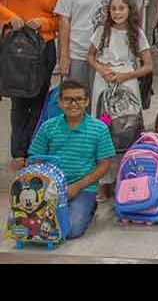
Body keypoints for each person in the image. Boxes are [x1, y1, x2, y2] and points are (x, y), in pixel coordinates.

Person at [0, 0, 66, 170]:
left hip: (42, 48)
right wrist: (10, 16)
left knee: (39, 99)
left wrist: (45, 22)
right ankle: (18, 152)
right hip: (16, 47)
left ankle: (33, 149)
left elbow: (61, 19)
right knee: (18, 100)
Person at [86, 0, 153, 200]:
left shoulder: (137, 33)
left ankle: (125, 178)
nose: (117, 13)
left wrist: (126, 75)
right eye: (113, 9)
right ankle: (104, 181)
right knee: (104, 128)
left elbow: (148, 65)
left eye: (121, 8)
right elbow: (90, 56)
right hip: (103, 81)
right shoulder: (101, 31)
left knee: (127, 128)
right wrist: (101, 68)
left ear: (129, 10)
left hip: (127, 81)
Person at [28, 80, 115, 239]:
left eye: (79, 99)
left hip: (82, 188)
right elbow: (35, 160)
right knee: (35, 227)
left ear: (87, 101)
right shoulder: (48, 127)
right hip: (49, 186)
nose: (74, 104)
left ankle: (88, 208)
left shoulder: (99, 128)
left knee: (70, 230)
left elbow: (105, 165)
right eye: (68, 99)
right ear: (59, 102)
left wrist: (76, 186)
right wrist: (46, 185)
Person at [54, 0, 128, 95]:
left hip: (106, 57)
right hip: (77, 54)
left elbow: (125, 22)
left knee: (102, 101)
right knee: (76, 100)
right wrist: (64, 55)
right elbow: (64, 19)